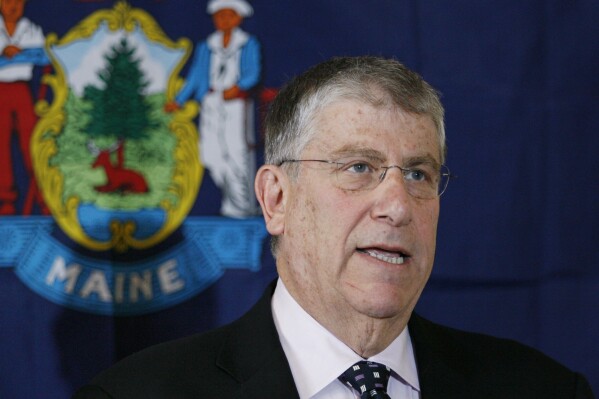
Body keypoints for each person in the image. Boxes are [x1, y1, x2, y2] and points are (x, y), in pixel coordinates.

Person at [73, 56, 594, 398]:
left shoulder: (543, 389)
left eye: (418, 173)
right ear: (275, 199)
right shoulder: (136, 395)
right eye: (358, 168)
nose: (397, 206)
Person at [165, 0, 261, 218]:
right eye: (220, 15)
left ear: (238, 18)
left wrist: (239, 86)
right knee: (212, 154)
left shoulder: (247, 44)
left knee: (237, 153)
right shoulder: (206, 46)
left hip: (236, 105)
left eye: (229, 15)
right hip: (211, 103)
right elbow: (195, 76)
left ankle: (243, 206)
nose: (224, 20)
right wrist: (179, 100)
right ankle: (230, 202)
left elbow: (252, 72)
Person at [0, 0, 49, 215]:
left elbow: (44, 56)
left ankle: (44, 197)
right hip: (1, 91)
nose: (13, 6)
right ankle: (6, 201)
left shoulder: (31, 28)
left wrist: (19, 54)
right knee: (0, 148)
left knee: (32, 144)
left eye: (18, 1)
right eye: (8, 1)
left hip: (22, 91)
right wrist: (7, 54)